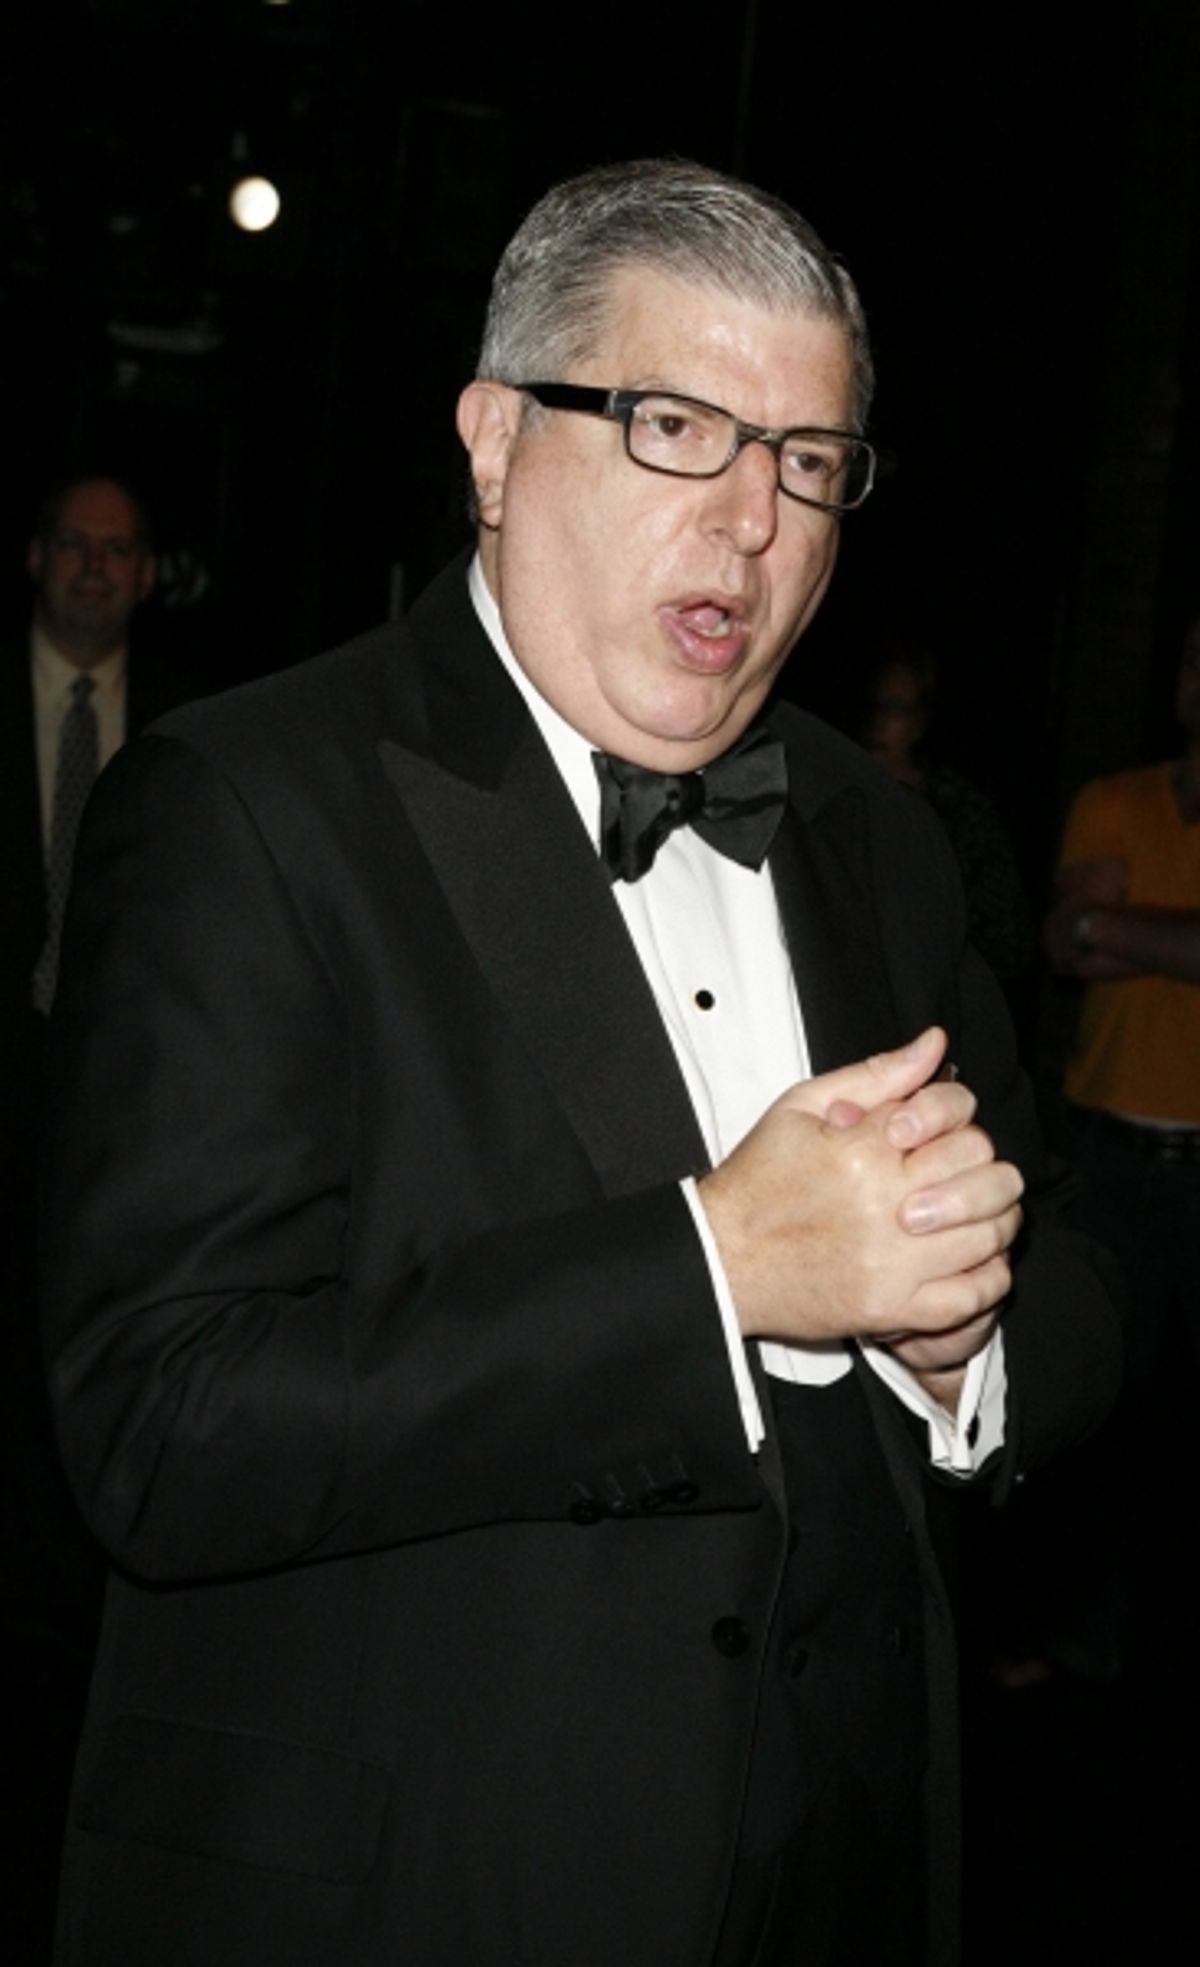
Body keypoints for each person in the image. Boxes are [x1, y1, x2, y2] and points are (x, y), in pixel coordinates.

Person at [41, 161, 1119, 1967]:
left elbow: (1082, 1245)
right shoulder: (247, 807)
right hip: (431, 1880)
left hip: (839, 1872)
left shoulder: (884, 837)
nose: (752, 523)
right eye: (677, 426)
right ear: (492, 443)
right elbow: (164, 1426)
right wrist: (713, 1273)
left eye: (805, 460)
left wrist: (970, 1344)